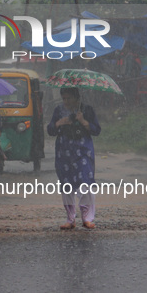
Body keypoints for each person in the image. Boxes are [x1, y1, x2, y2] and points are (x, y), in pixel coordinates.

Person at [47, 87, 101, 230]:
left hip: (83, 150)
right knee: (66, 184)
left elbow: (96, 130)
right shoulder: (58, 111)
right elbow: (50, 129)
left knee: (85, 182)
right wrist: (60, 123)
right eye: (63, 98)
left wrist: (83, 120)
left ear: (77, 98)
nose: (66, 101)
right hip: (64, 151)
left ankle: (87, 217)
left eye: (69, 98)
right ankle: (70, 219)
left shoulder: (87, 110)